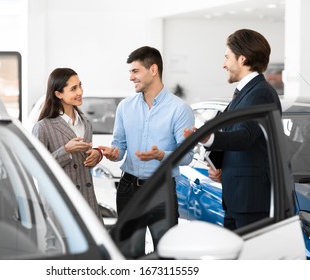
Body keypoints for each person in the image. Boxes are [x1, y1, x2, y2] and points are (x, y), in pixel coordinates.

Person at [99, 46, 195, 254]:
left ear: (153, 70)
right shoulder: (125, 107)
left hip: (160, 190)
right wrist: (114, 153)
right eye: (130, 72)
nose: (131, 77)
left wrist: (162, 156)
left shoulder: (179, 109)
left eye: (135, 71)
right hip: (128, 189)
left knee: (165, 253)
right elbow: (120, 146)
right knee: (129, 253)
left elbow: (187, 155)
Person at [185, 29, 282, 230]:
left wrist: (207, 137)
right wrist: (221, 167)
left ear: (243, 59)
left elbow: (245, 136)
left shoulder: (260, 93)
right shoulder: (246, 93)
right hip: (238, 198)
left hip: (251, 201)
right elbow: (239, 137)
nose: (224, 64)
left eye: (227, 57)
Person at [32, 68, 103, 222]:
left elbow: (85, 163)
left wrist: (96, 155)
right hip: (61, 205)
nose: (80, 92)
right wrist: (65, 150)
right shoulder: (43, 127)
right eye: (73, 89)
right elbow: (36, 168)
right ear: (58, 94)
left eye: (80, 86)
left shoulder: (86, 123)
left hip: (88, 203)